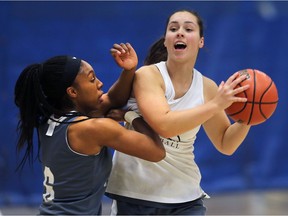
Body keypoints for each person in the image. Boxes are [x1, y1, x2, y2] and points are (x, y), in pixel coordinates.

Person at [105, 10, 252, 215]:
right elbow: (164, 125)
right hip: (136, 194)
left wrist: (249, 115)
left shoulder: (207, 88)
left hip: (185, 196)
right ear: (166, 40)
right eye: (173, 29)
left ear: (201, 41)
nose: (180, 33)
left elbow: (225, 143)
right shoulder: (148, 75)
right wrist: (216, 104)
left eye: (188, 29)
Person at [14, 43, 165, 215]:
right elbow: (156, 151)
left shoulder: (51, 120)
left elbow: (114, 99)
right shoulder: (90, 129)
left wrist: (129, 71)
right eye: (92, 79)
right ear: (72, 92)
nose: (100, 83)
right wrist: (130, 116)